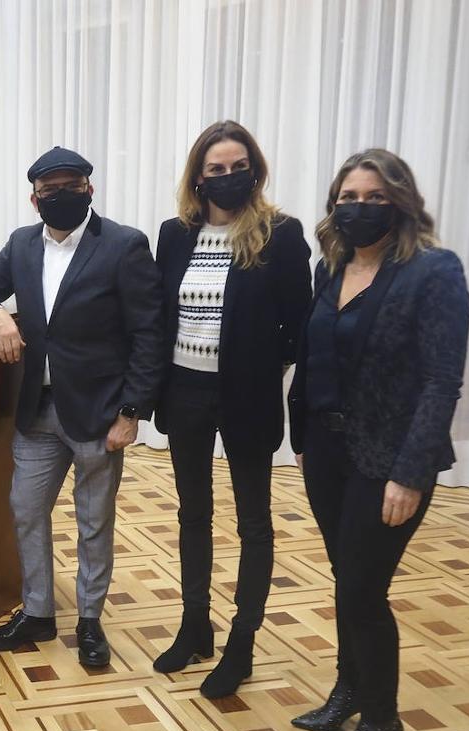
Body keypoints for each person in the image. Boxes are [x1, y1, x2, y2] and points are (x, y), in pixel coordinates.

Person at [288, 149, 469, 731]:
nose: (358, 207)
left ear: (400, 202)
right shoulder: (330, 266)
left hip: (388, 459)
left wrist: (410, 474)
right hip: (328, 451)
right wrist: (303, 435)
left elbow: (442, 381)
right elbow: (316, 357)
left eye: (373, 197)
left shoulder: (434, 271)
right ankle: (349, 688)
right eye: (348, 196)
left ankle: (381, 725)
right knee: (347, 583)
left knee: (363, 592)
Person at [0, 146, 164, 668]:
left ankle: (91, 620)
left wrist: (132, 412)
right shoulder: (23, 245)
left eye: (72, 187)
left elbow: (148, 334)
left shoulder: (123, 245)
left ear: (90, 190)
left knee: (94, 521)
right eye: (51, 191)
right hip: (37, 411)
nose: (62, 196)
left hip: (98, 413)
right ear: (35, 200)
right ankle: (39, 612)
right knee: (26, 511)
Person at [150, 121, 312, 697]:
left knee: (253, 522)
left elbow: (300, 324)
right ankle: (197, 625)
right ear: (199, 176)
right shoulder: (175, 234)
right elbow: (160, 313)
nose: (226, 177)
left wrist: (259, 364)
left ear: (255, 169)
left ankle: (242, 641)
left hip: (246, 396)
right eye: (215, 169)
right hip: (185, 391)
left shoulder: (281, 233)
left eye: (236, 166)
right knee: (193, 513)